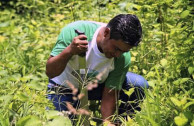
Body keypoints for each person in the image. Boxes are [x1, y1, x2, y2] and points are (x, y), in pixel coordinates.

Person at [46, 14, 149, 124]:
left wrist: (107, 122)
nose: (118, 55)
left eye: (123, 51)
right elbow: (50, 72)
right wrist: (69, 51)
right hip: (63, 88)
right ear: (106, 33)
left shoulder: (122, 57)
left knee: (138, 84)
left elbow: (110, 94)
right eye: (116, 48)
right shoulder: (74, 32)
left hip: (95, 88)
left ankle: (122, 122)